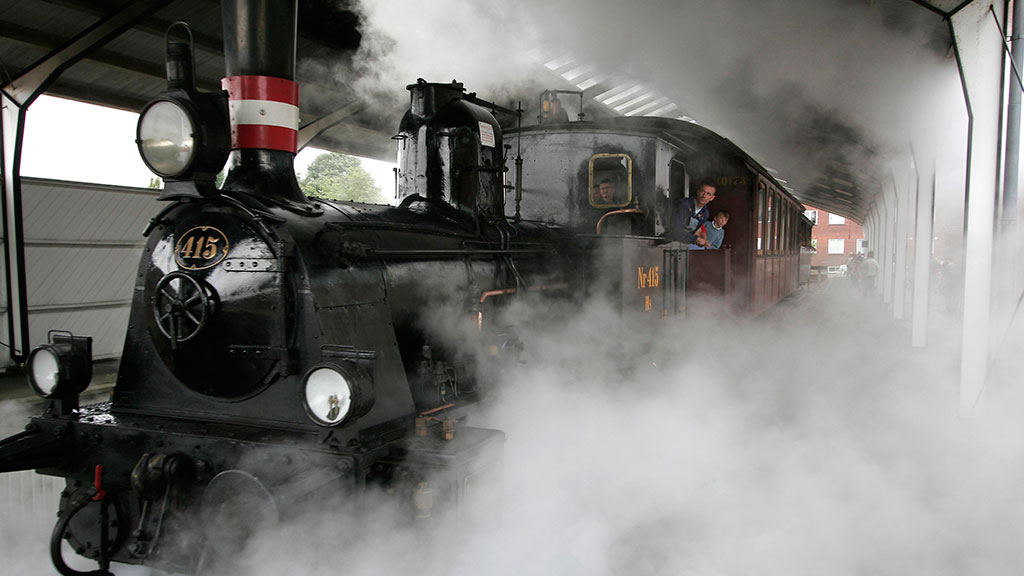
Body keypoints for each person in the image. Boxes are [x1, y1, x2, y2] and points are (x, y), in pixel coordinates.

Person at [672, 181, 716, 246]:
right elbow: (675, 231)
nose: (704, 196)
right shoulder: (683, 205)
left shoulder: (705, 214)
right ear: (698, 191)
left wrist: (701, 240)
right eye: (702, 191)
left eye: (708, 194)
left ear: (712, 198)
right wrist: (696, 239)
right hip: (668, 242)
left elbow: (693, 233)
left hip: (683, 246)